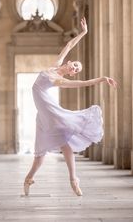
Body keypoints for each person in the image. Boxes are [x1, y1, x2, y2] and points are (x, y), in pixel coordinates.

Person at [23, 17, 117, 196]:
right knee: (40, 153)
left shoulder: (60, 80)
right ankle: (28, 178)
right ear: (68, 63)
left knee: (65, 145)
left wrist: (103, 79)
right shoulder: (55, 66)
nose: (75, 69)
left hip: (51, 113)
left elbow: (84, 83)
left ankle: (73, 180)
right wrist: (84, 32)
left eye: (76, 70)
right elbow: (69, 46)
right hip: (41, 115)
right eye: (75, 65)